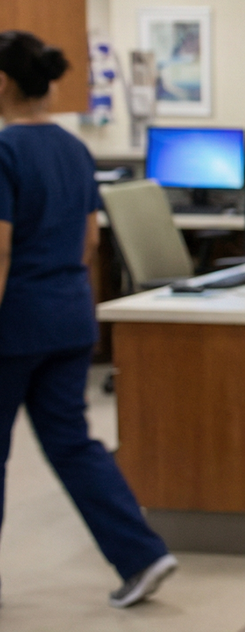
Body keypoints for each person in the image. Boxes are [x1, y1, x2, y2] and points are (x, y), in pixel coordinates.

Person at [0, 30, 178, 608]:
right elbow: (89, 240)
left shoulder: (4, 152)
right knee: (73, 442)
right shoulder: (75, 150)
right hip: (70, 316)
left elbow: (0, 250)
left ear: (3, 84)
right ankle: (143, 555)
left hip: (15, 323)